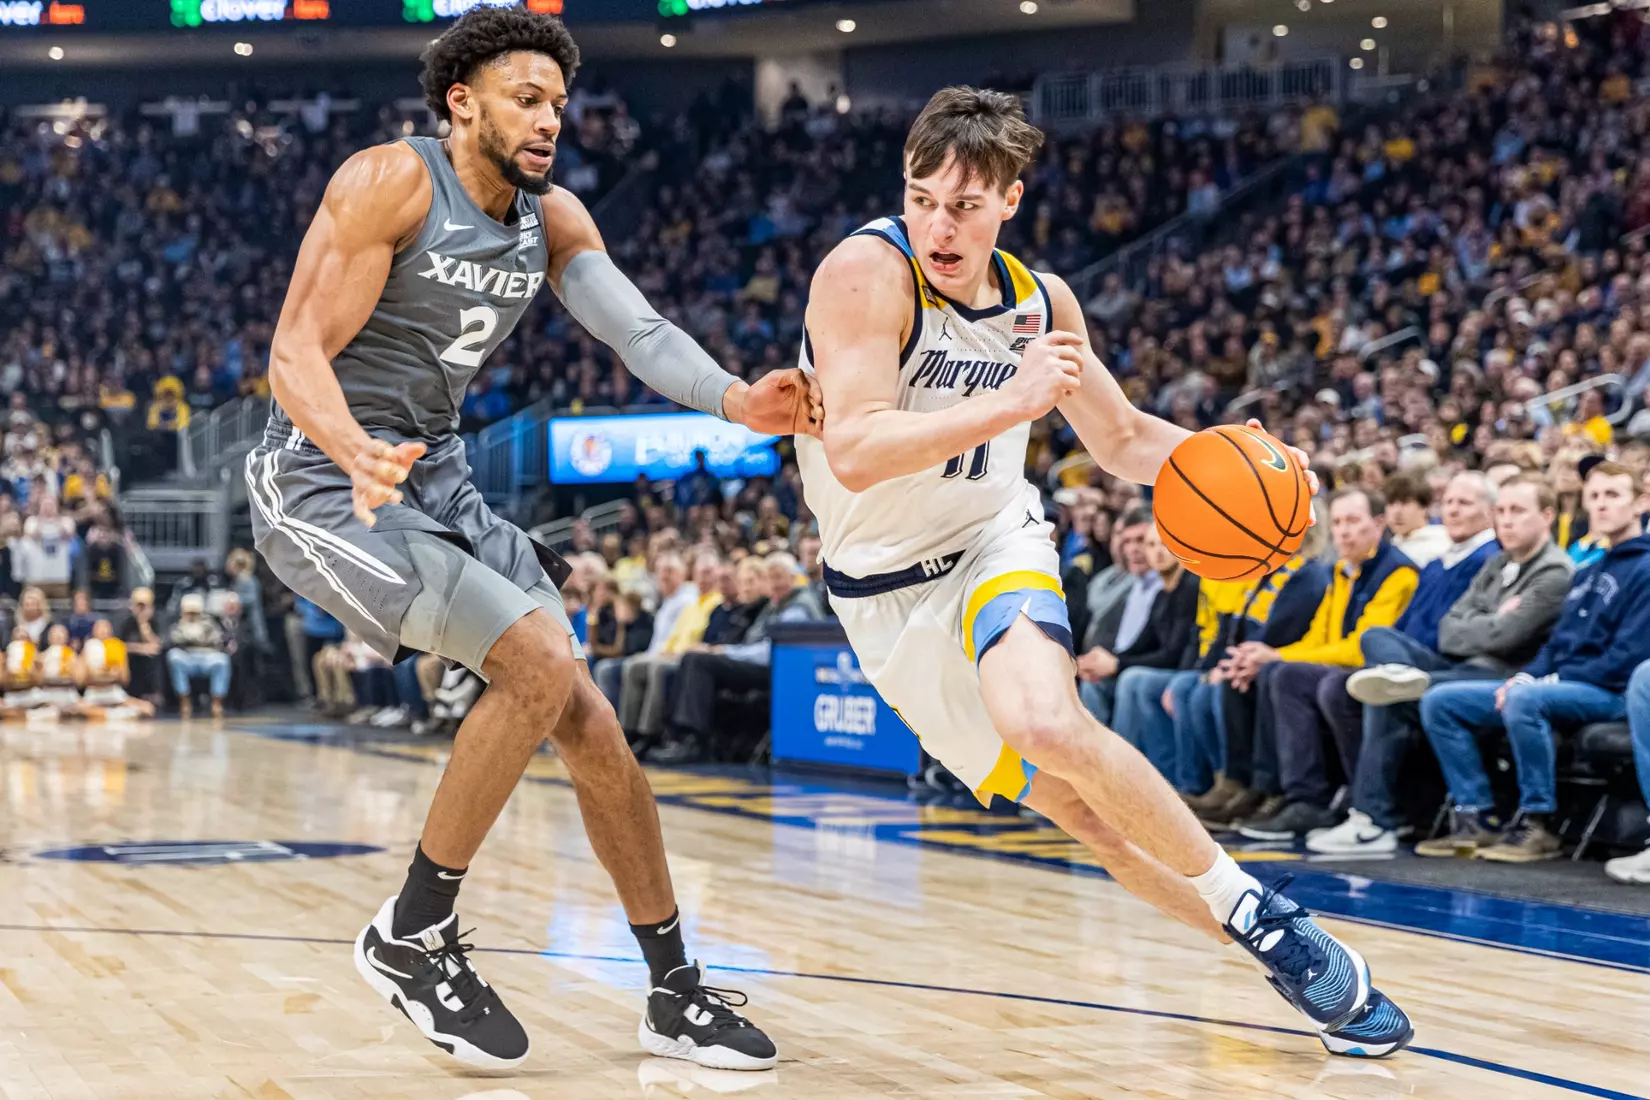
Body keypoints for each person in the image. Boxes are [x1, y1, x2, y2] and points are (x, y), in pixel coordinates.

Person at [248, 7, 816, 1071]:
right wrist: (352, 447)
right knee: (538, 659)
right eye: (526, 96)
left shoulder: (550, 218)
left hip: (440, 478)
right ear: (461, 102)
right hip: (327, 482)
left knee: (590, 719)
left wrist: (737, 398)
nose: (551, 117)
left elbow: (637, 330)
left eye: (558, 101)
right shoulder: (392, 181)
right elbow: (292, 351)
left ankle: (674, 990)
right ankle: (414, 933)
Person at [799, 85, 1409, 1058]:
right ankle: (1257, 920)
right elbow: (861, 449)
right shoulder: (866, 275)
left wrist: (1248, 463)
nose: (938, 224)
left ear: (1011, 201)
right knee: (1081, 811)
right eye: (922, 197)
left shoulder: (1043, 301)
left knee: (1046, 718)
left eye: (964, 205)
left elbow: (1122, 440)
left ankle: (1264, 921)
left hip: (997, 534)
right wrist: (1015, 403)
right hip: (884, 590)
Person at [1309, 475, 1573, 854]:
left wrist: (1482, 623)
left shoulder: (1554, 571)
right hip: (1455, 666)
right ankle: (1400, 682)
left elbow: (1505, 638)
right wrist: (1491, 620)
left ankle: (1375, 820)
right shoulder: (1498, 563)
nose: (1507, 520)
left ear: (1547, 516)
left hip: (1500, 676)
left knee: (1389, 695)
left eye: (1517, 511)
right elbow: (1450, 627)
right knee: (1376, 639)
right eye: (1503, 511)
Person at [1419, 461, 1650, 863]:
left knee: (1526, 701)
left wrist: (1540, 684)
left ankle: (1538, 823)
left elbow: (1625, 659)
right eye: (1593, 496)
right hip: (1565, 686)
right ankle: (1478, 817)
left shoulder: (1645, 569)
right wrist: (1528, 675)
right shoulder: (1587, 571)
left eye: (1613, 495)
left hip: (1615, 693)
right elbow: (1554, 647)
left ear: (1640, 503)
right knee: (1441, 700)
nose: (1600, 505)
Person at [166, 592, 231, 720]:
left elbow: (217, 641)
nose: (192, 615)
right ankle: (184, 701)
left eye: (195, 612)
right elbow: (175, 639)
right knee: (173, 657)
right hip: (187, 657)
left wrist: (195, 639)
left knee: (222, 660)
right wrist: (193, 636)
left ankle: (217, 702)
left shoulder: (209, 623)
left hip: (207, 657)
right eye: (189, 612)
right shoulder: (178, 624)